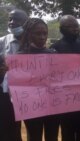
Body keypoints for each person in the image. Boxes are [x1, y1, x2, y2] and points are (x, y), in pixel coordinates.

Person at [50, 15, 80, 141]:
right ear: (62, 29)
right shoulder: (55, 48)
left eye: (77, 26)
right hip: (64, 102)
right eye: (71, 26)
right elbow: (51, 75)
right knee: (67, 133)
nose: (75, 29)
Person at [18, 18, 59, 141]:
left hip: (53, 105)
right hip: (31, 106)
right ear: (28, 34)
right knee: (34, 137)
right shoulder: (19, 57)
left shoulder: (54, 54)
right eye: (38, 33)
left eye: (45, 33)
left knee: (52, 136)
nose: (42, 37)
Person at [0, 9, 28, 141]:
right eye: (10, 19)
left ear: (25, 23)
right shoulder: (2, 42)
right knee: (8, 128)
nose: (12, 22)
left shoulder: (33, 41)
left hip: (29, 94)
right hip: (6, 93)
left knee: (31, 127)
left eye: (16, 19)